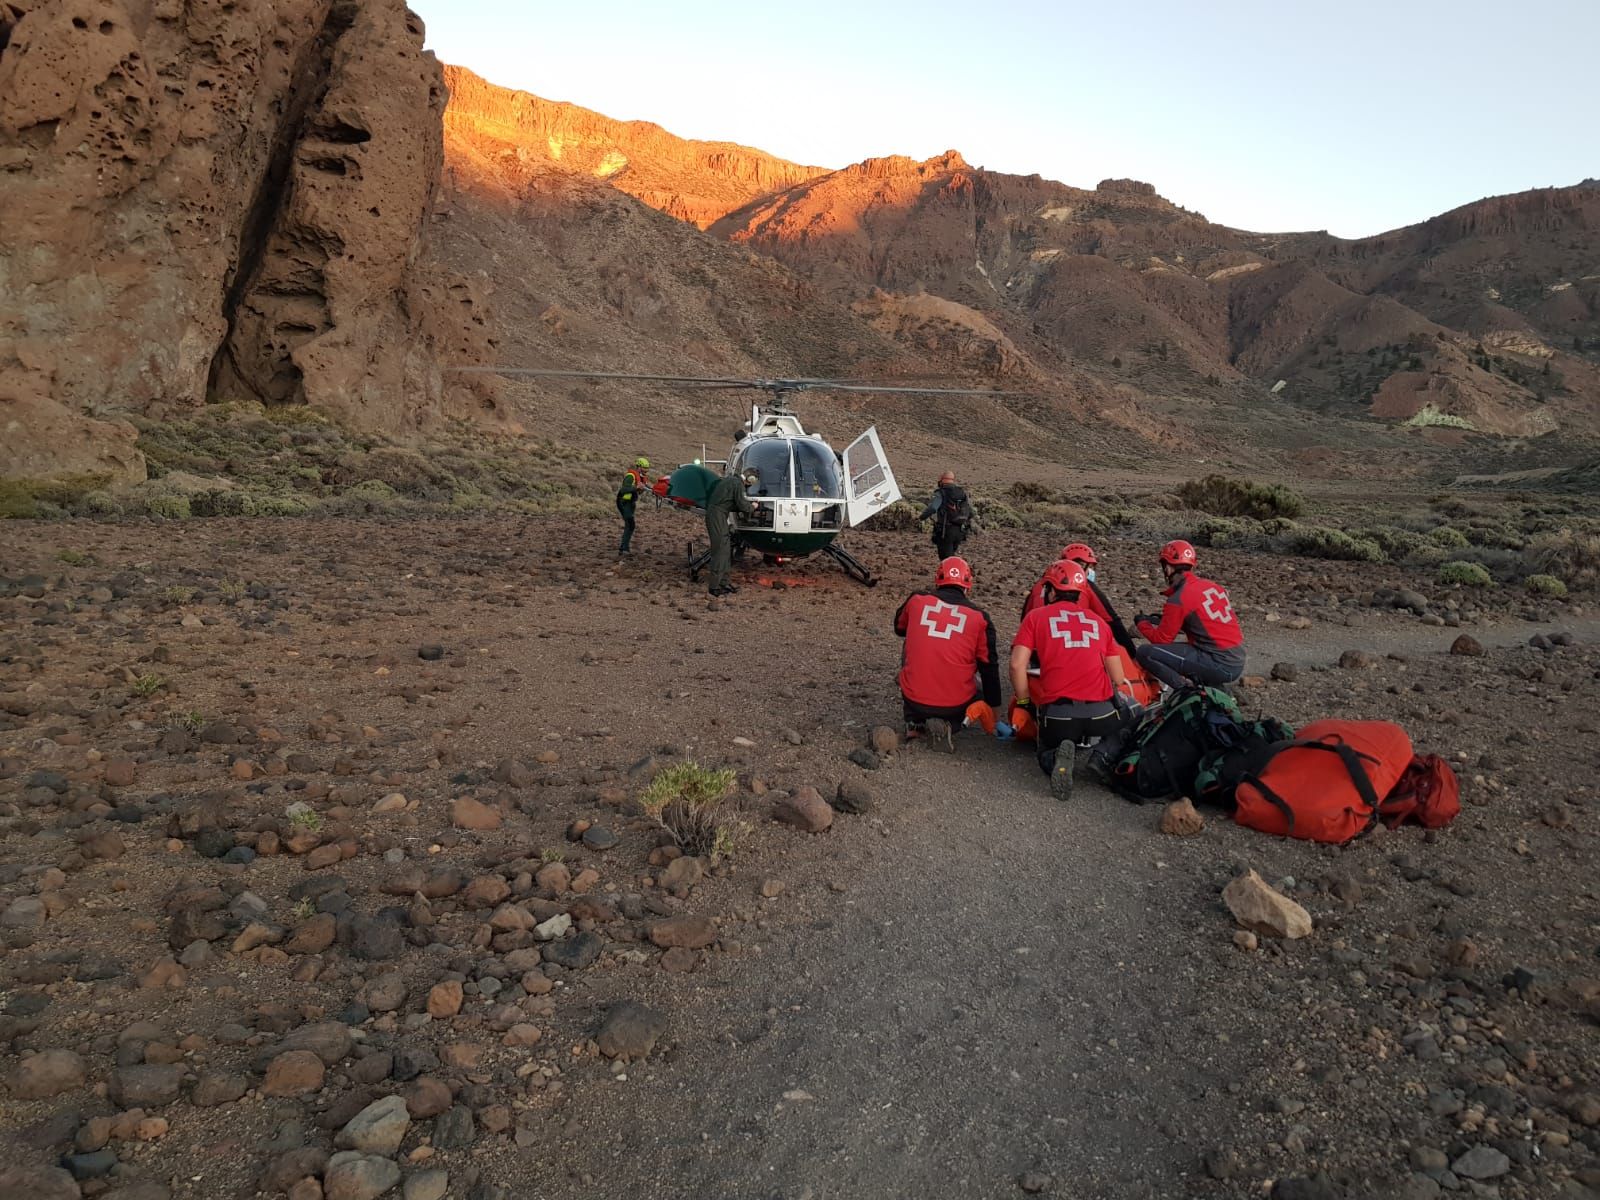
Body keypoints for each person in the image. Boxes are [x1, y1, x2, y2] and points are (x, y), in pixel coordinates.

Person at [1010, 561, 1133, 800]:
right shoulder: (1098, 622)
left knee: (1045, 746)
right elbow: (1118, 678)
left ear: (1052, 591)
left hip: (1058, 716)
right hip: (1102, 715)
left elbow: (1017, 665)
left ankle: (1055, 757)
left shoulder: (1036, 617)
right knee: (1129, 716)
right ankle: (1102, 755)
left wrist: (1024, 702)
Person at [893, 556, 1005, 751]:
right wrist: (995, 714)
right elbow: (990, 669)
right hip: (954, 704)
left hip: (914, 698)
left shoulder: (916, 600)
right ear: (968, 585)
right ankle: (951, 726)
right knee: (978, 685)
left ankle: (914, 724)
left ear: (937, 580)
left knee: (910, 645)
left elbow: (899, 628)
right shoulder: (980, 618)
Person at [1133, 540, 1246, 689]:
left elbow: (1161, 639)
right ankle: (1212, 690)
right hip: (1236, 658)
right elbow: (1204, 623)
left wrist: (1142, 623)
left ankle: (1186, 691)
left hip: (1221, 663)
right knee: (1186, 654)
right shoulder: (1212, 586)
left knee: (1145, 653)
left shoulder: (1179, 598)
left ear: (1167, 568)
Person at [1020, 542, 1138, 655]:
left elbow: (1025, 618)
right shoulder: (1086, 587)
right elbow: (1113, 621)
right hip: (1070, 649)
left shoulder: (1038, 585)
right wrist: (1132, 654)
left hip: (1036, 651)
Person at [705, 466, 760, 596]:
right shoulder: (737, 484)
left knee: (725, 550)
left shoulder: (732, 481)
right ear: (750, 479)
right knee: (720, 551)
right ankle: (714, 587)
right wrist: (752, 507)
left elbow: (730, 503)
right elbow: (742, 505)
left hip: (718, 515)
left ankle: (724, 583)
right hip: (717, 516)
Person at [919, 471, 973, 559]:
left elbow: (933, 508)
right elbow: (970, 511)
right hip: (960, 530)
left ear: (942, 480)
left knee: (946, 559)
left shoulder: (941, 493)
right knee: (951, 555)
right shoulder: (961, 492)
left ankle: (950, 572)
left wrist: (921, 517)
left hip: (945, 530)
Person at [615, 457, 651, 556]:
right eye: (644, 468)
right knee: (630, 524)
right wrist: (636, 487)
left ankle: (623, 548)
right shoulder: (631, 476)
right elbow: (624, 489)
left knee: (629, 524)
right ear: (639, 467)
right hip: (623, 502)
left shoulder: (642, 478)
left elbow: (639, 491)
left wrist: (642, 489)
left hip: (631, 503)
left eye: (647, 468)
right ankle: (624, 548)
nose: (646, 470)